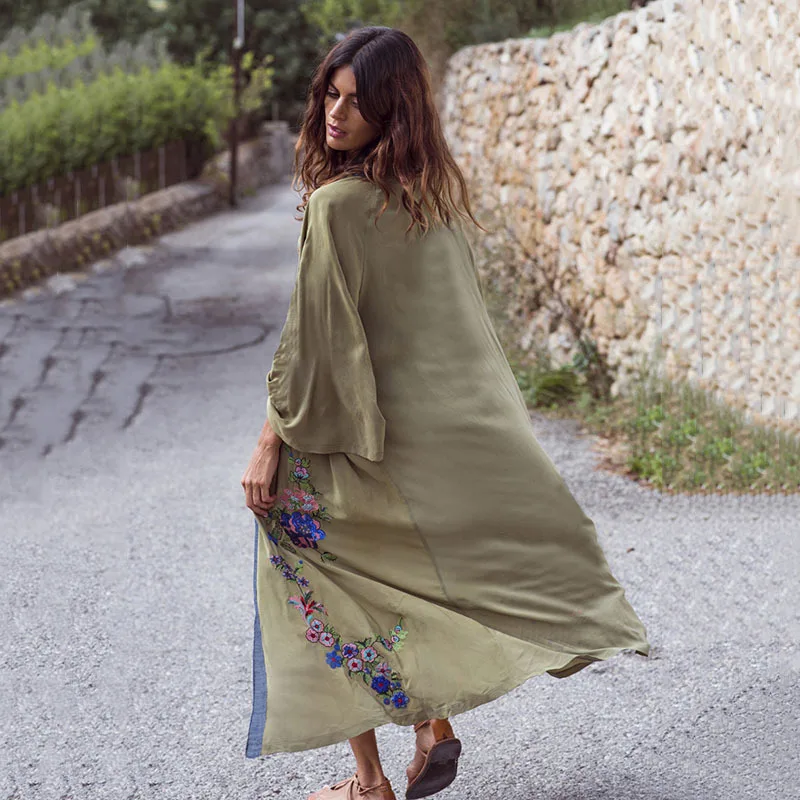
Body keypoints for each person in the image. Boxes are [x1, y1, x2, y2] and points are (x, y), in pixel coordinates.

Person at [241, 25, 650, 800]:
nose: (335, 114)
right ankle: (430, 724)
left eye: (356, 102)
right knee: (395, 577)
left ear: (391, 110)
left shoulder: (335, 207)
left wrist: (270, 443)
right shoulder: (431, 202)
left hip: (350, 435)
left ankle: (370, 781)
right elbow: (461, 340)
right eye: (330, 94)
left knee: (306, 563)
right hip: (420, 445)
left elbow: (313, 347)